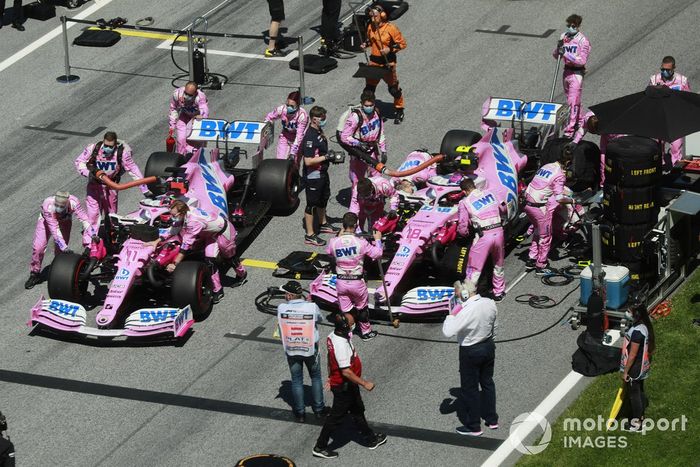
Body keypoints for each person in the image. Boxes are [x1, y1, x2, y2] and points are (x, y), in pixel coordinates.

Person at [313, 312, 387, 459]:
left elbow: (329, 358)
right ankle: (320, 446)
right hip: (344, 386)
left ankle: (370, 438)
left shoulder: (332, 336)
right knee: (335, 417)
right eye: (352, 323)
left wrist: (329, 376)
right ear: (346, 327)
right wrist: (365, 383)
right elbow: (346, 371)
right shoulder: (341, 345)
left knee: (358, 410)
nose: (354, 325)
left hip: (346, 385)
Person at [442, 279, 499, 436]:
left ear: (465, 294)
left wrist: (451, 314)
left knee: (470, 389)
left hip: (470, 351)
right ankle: (492, 419)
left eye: (458, 294)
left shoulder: (465, 311)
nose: (457, 297)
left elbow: (447, 332)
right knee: (487, 383)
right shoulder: (489, 303)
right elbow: (494, 325)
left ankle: (474, 426)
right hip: (488, 346)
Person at [165, 200, 246, 304]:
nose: (172, 217)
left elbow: (185, 246)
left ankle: (242, 274)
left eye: (173, 215)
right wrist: (157, 240)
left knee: (230, 257)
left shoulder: (193, 222)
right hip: (211, 234)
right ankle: (218, 290)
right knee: (209, 261)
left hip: (224, 232)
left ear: (181, 213)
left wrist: (175, 263)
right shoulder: (186, 211)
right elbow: (173, 229)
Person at [75, 131, 150, 229]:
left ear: (115, 144)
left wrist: (145, 189)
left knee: (111, 216)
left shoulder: (122, 153)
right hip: (94, 185)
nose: (108, 148)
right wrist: (89, 173)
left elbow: (133, 170)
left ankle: (110, 238)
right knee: (93, 216)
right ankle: (92, 240)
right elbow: (79, 161)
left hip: (111, 186)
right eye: (106, 145)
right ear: (103, 142)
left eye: (111, 146)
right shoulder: (94, 148)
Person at [328, 212, 383, 341]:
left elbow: (329, 253)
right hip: (357, 282)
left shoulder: (333, 242)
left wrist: (339, 236)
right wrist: (378, 239)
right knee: (362, 307)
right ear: (356, 224)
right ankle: (366, 332)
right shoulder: (361, 242)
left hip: (341, 282)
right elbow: (378, 254)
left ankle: (347, 332)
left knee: (346, 310)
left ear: (343, 225)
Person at [277, 280, 327, 423]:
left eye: (285, 293)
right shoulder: (312, 307)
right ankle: (319, 409)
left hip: (292, 349)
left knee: (296, 380)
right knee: (316, 377)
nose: (284, 296)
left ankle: (300, 413)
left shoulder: (281, 308)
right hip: (310, 347)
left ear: (290, 296)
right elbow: (320, 319)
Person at [25, 191, 93, 289]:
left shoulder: (74, 202)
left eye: (62, 206)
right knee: (38, 247)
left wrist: (93, 234)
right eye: (56, 205)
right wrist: (64, 246)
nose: (58, 208)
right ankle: (34, 273)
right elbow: (54, 229)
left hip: (65, 221)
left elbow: (84, 219)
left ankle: (57, 273)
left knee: (60, 252)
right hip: (47, 222)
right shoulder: (47, 204)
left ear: (67, 203)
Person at [524, 152, 573, 275]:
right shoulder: (560, 175)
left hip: (526, 204)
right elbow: (559, 198)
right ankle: (541, 265)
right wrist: (572, 200)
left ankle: (531, 258)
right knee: (546, 236)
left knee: (537, 230)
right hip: (539, 208)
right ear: (567, 163)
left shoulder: (547, 166)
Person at [457, 178, 506, 302]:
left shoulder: (465, 202)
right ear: (474, 185)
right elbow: (503, 209)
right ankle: (499, 292)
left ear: (464, 191)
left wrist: (464, 234)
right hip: (499, 232)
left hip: (483, 236)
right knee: (498, 264)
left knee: (474, 269)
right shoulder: (490, 193)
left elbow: (462, 227)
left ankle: (468, 297)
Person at [339, 90, 387, 215]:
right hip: (359, 153)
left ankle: (377, 206)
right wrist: (359, 144)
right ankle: (354, 212)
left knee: (377, 179)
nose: (369, 108)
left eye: (371, 105)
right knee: (357, 183)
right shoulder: (355, 117)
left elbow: (380, 133)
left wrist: (383, 150)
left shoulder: (377, 113)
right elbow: (344, 137)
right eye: (366, 105)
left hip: (373, 151)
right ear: (361, 104)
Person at [301, 106, 340, 247]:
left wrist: (329, 158)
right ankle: (310, 235)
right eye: (322, 118)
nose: (324, 120)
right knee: (311, 205)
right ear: (314, 119)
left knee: (323, 199)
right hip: (313, 176)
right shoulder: (309, 137)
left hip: (322, 173)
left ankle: (323, 223)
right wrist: (325, 157)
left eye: (324, 117)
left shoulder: (318, 131)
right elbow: (308, 161)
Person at [363, 4, 407, 124]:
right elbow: (369, 40)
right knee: (368, 91)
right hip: (374, 62)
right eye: (371, 16)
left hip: (387, 63)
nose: (372, 19)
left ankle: (399, 109)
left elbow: (402, 44)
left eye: (374, 16)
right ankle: (371, 113)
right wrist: (365, 45)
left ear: (382, 15)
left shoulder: (391, 28)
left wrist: (389, 49)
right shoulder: (370, 26)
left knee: (394, 90)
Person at [552, 14, 591, 136]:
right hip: (566, 72)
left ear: (578, 26)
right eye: (568, 25)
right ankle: (580, 121)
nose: (570, 28)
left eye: (573, 26)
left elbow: (582, 61)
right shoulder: (564, 37)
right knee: (574, 99)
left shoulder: (583, 41)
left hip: (577, 73)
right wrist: (558, 49)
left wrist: (567, 54)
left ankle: (569, 129)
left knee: (572, 102)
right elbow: (555, 55)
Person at [649, 56, 691, 166]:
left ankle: (676, 169)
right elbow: (648, 98)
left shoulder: (682, 81)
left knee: (676, 146)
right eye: (662, 69)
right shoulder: (654, 80)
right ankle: (659, 166)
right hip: (660, 117)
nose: (664, 72)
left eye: (667, 70)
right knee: (657, 145)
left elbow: (688, 99)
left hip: (675, 119)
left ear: (674, 68)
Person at [620, 304, 655, 432]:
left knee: (634, 395)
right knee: (639, 391)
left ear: (636, 314)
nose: (627, 312)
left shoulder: (637, 333)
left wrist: (626, 371)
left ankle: (637, 423)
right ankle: (641, 418)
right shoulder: (643, 326)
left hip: (635, 368)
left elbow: (633, 355)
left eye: (629, 311)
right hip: (641, 365)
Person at [264, 91, 309, 163]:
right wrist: (265, 132)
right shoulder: (281, 109)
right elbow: (269, 117)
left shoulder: (302, 116)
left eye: (292, 106)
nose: (288, 108)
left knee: (294, 164)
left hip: (297, 139)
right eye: (287, 105)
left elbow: (299, 136)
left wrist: (292, 153)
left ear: (297, 105)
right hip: (285, 136)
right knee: (280, 162)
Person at [168, 81, 209, 155]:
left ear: (195, 93)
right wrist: (172, 126)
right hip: (184, 116)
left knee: (196, 141)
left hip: (197, 119)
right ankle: (180, 158)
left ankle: (198, 157)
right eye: (186, 93)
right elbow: (173, 109)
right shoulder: (177, 94)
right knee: (181, 139)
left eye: (189, 95)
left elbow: (204, 111)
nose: (186, 96)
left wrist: (200, 117)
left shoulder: (200, 97)